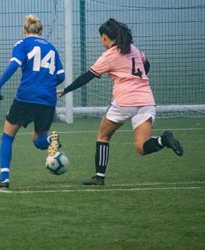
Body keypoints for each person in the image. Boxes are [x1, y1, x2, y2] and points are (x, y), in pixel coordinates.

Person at [58, 18, 183, 186]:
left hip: (125, 101)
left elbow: (87, 76)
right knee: (141, 146)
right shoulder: (135, 49)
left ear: (104, 37)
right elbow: (146, 65)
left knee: (103, 135)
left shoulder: (109, 55)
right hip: (146, 100)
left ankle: (99, 177)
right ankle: (164, 140)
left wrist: (66, 90)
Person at [0, 14, 65, 189]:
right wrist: (45, 84)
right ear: (41, 31)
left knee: (7, 135)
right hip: (48, 99)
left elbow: (14, 65)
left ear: (24, 30)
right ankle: (50, 141)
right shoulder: (52, 48)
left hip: (26, 97)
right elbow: (61, 76)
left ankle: (4, 178)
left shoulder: (22, 44)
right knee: (39, 140)